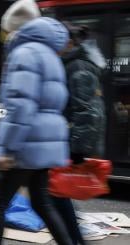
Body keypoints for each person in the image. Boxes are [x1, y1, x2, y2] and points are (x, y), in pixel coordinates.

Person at [0, 1, 75, 244]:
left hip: (25, 145)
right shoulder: (51, 55)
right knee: (42, 203)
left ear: (15, 29)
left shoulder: (23, 53)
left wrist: (8, 150)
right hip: (44, 145)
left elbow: (20, 105)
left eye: (6, 31)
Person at [51, 23, 107, 245]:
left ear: (70, 43)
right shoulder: (74, 64)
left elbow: (86, 110)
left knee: (55, 194)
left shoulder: (77, 67)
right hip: (69, 138)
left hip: (72, 140)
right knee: (57, 195)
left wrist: (77, 150)